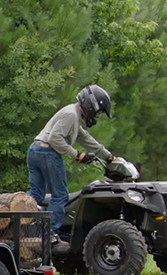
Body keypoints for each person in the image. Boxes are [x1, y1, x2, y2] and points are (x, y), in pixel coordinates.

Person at [28, 84, 115, 243]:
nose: (95, 116)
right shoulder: (71, 115)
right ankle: (50, 234)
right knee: (60, 195)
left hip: (34, 150)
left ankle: (17, 221)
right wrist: (77, 155)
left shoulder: (72, 114)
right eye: (97, 112)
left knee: (37, 194)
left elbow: (87, 139)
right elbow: (55, 138)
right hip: (48, 152)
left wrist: (108, 156)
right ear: (91, 105)